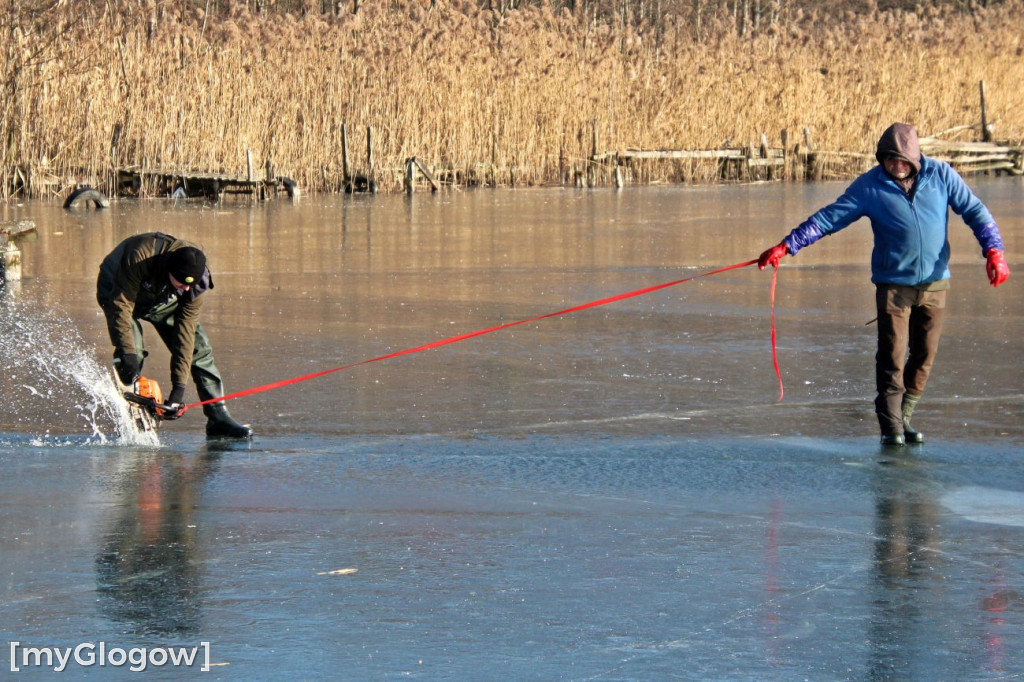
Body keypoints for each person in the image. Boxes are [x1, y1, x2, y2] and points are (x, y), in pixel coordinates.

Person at [758, 122, 1010, 446]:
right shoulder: (870, 187)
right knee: (892, 356)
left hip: (935, 284)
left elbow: (975, 211)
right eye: (889, 160)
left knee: (924, 355)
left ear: (915, 158)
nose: (895, 166)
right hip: (894, 286)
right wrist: (787, 245)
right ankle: (891, 427)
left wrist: (994, 251)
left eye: (902, 160)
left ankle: (905, 413)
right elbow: (828, 218)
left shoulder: (941, 176)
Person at [96, 232, 253, 438]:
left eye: (190, 285)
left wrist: (178, 389)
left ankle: (218, 417)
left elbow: (185, 332)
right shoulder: (140, 255)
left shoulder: (196, 280)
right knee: (131, 353)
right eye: (182, 284)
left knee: (199, 349)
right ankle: (131, 412)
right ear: (170, 270)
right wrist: (128, 353)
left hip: (162, 297)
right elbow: (121, 306)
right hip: (117, 288)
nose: (187, 288)